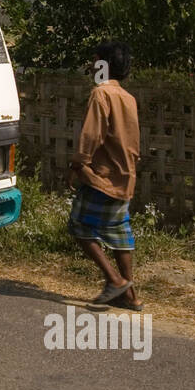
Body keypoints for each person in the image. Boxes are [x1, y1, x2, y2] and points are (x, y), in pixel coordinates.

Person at [67, 40, 143, 310]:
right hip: (125, 176)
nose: (91, 65)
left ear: (102, 64)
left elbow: (91, 135)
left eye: (95, 60)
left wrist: (79, 165)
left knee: (79, 227)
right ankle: (131, 297)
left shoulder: (101, 94)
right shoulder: (128, 98)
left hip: (100, 176)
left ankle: (115, 281)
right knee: (120, 234)